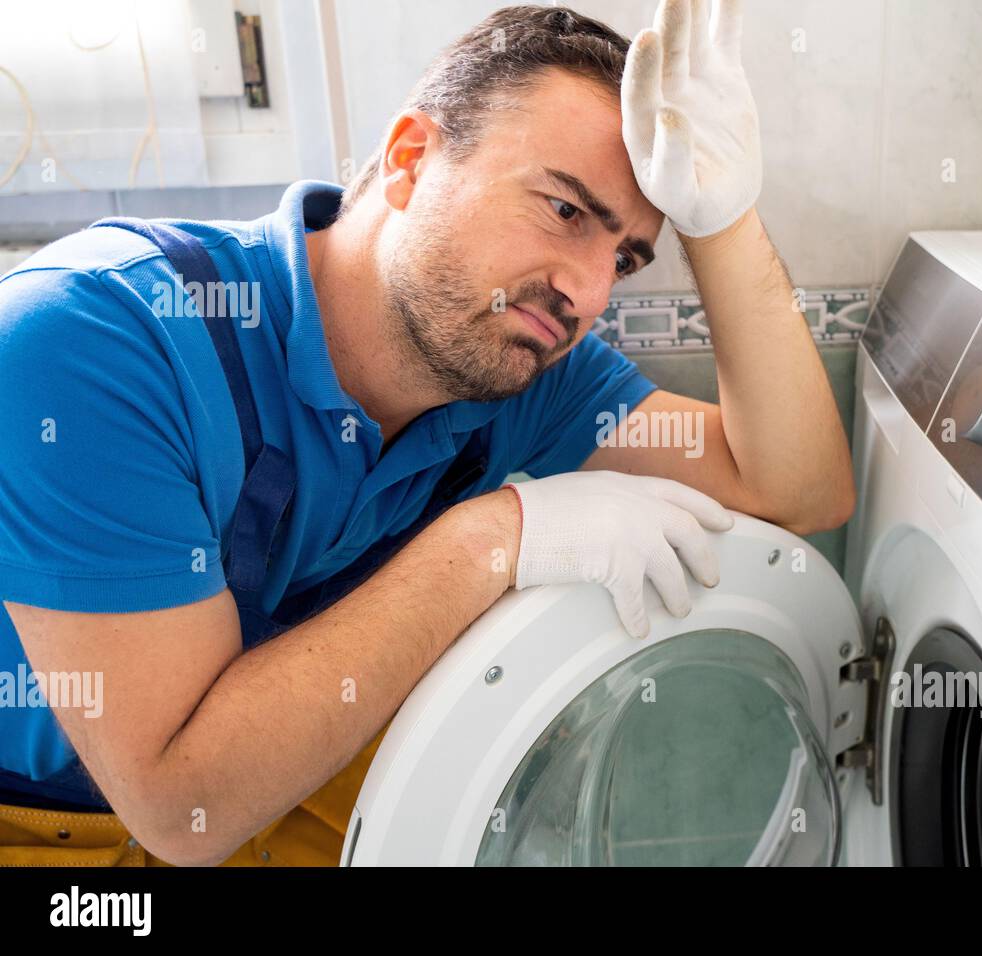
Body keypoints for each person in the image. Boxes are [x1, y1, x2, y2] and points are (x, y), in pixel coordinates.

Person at [0, 1, 853, 866]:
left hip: (293, 771)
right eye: (564, 210)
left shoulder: (513, 363)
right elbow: (182, 806)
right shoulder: (95, 340)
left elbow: (797, 491)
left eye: (625, 259)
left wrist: (721, 218)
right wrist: (496, 538)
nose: (591, 295)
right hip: (54, 819)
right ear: (410, 160)